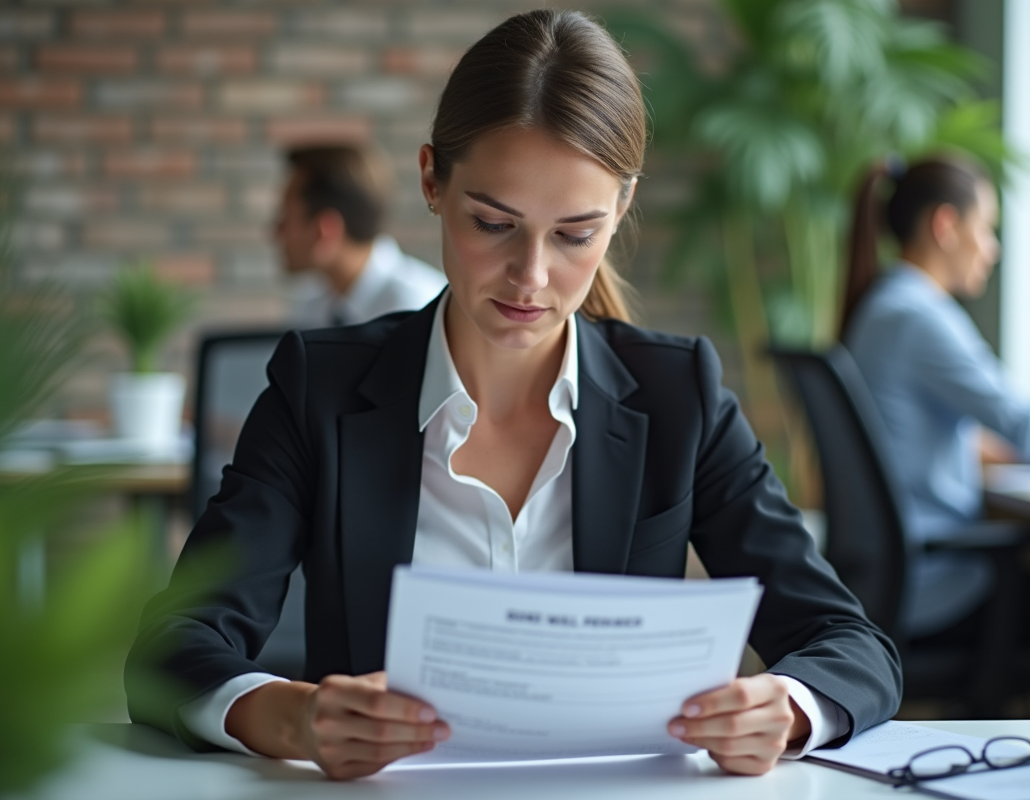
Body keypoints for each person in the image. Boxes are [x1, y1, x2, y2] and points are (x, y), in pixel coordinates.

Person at [126, 9, 900, 781]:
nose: (531, 277)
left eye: (574, 235)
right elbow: (173, 648)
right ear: (432, 180)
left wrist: (788, 707)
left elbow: (852, 645)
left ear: (620, 210)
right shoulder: (318, 389)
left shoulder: (677, 397)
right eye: (493, 224)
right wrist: (295, 717)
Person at [840, 156, 1030, 694]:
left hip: (894, 582)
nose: (992, 248)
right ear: (946, 226)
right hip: (935, 588)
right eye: (987, 228)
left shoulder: (883, 307)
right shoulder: (920, 317)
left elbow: (961, 438)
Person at [276, 143, 447, 328]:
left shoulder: (417, 308)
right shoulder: (312, 307)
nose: (276, 232)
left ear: (323, 232)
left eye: (286, 217)